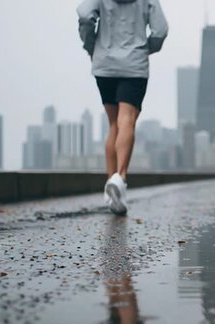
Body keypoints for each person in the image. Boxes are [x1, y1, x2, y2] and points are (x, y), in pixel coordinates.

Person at [77, 0, 168, 215]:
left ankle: (111, 192)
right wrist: (145, 48)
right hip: (134, 65)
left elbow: (84, 15)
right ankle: (120, 177)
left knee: (113, 125)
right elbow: (161, 30)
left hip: (104, 64)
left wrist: (91, 45)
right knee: (126, 119)